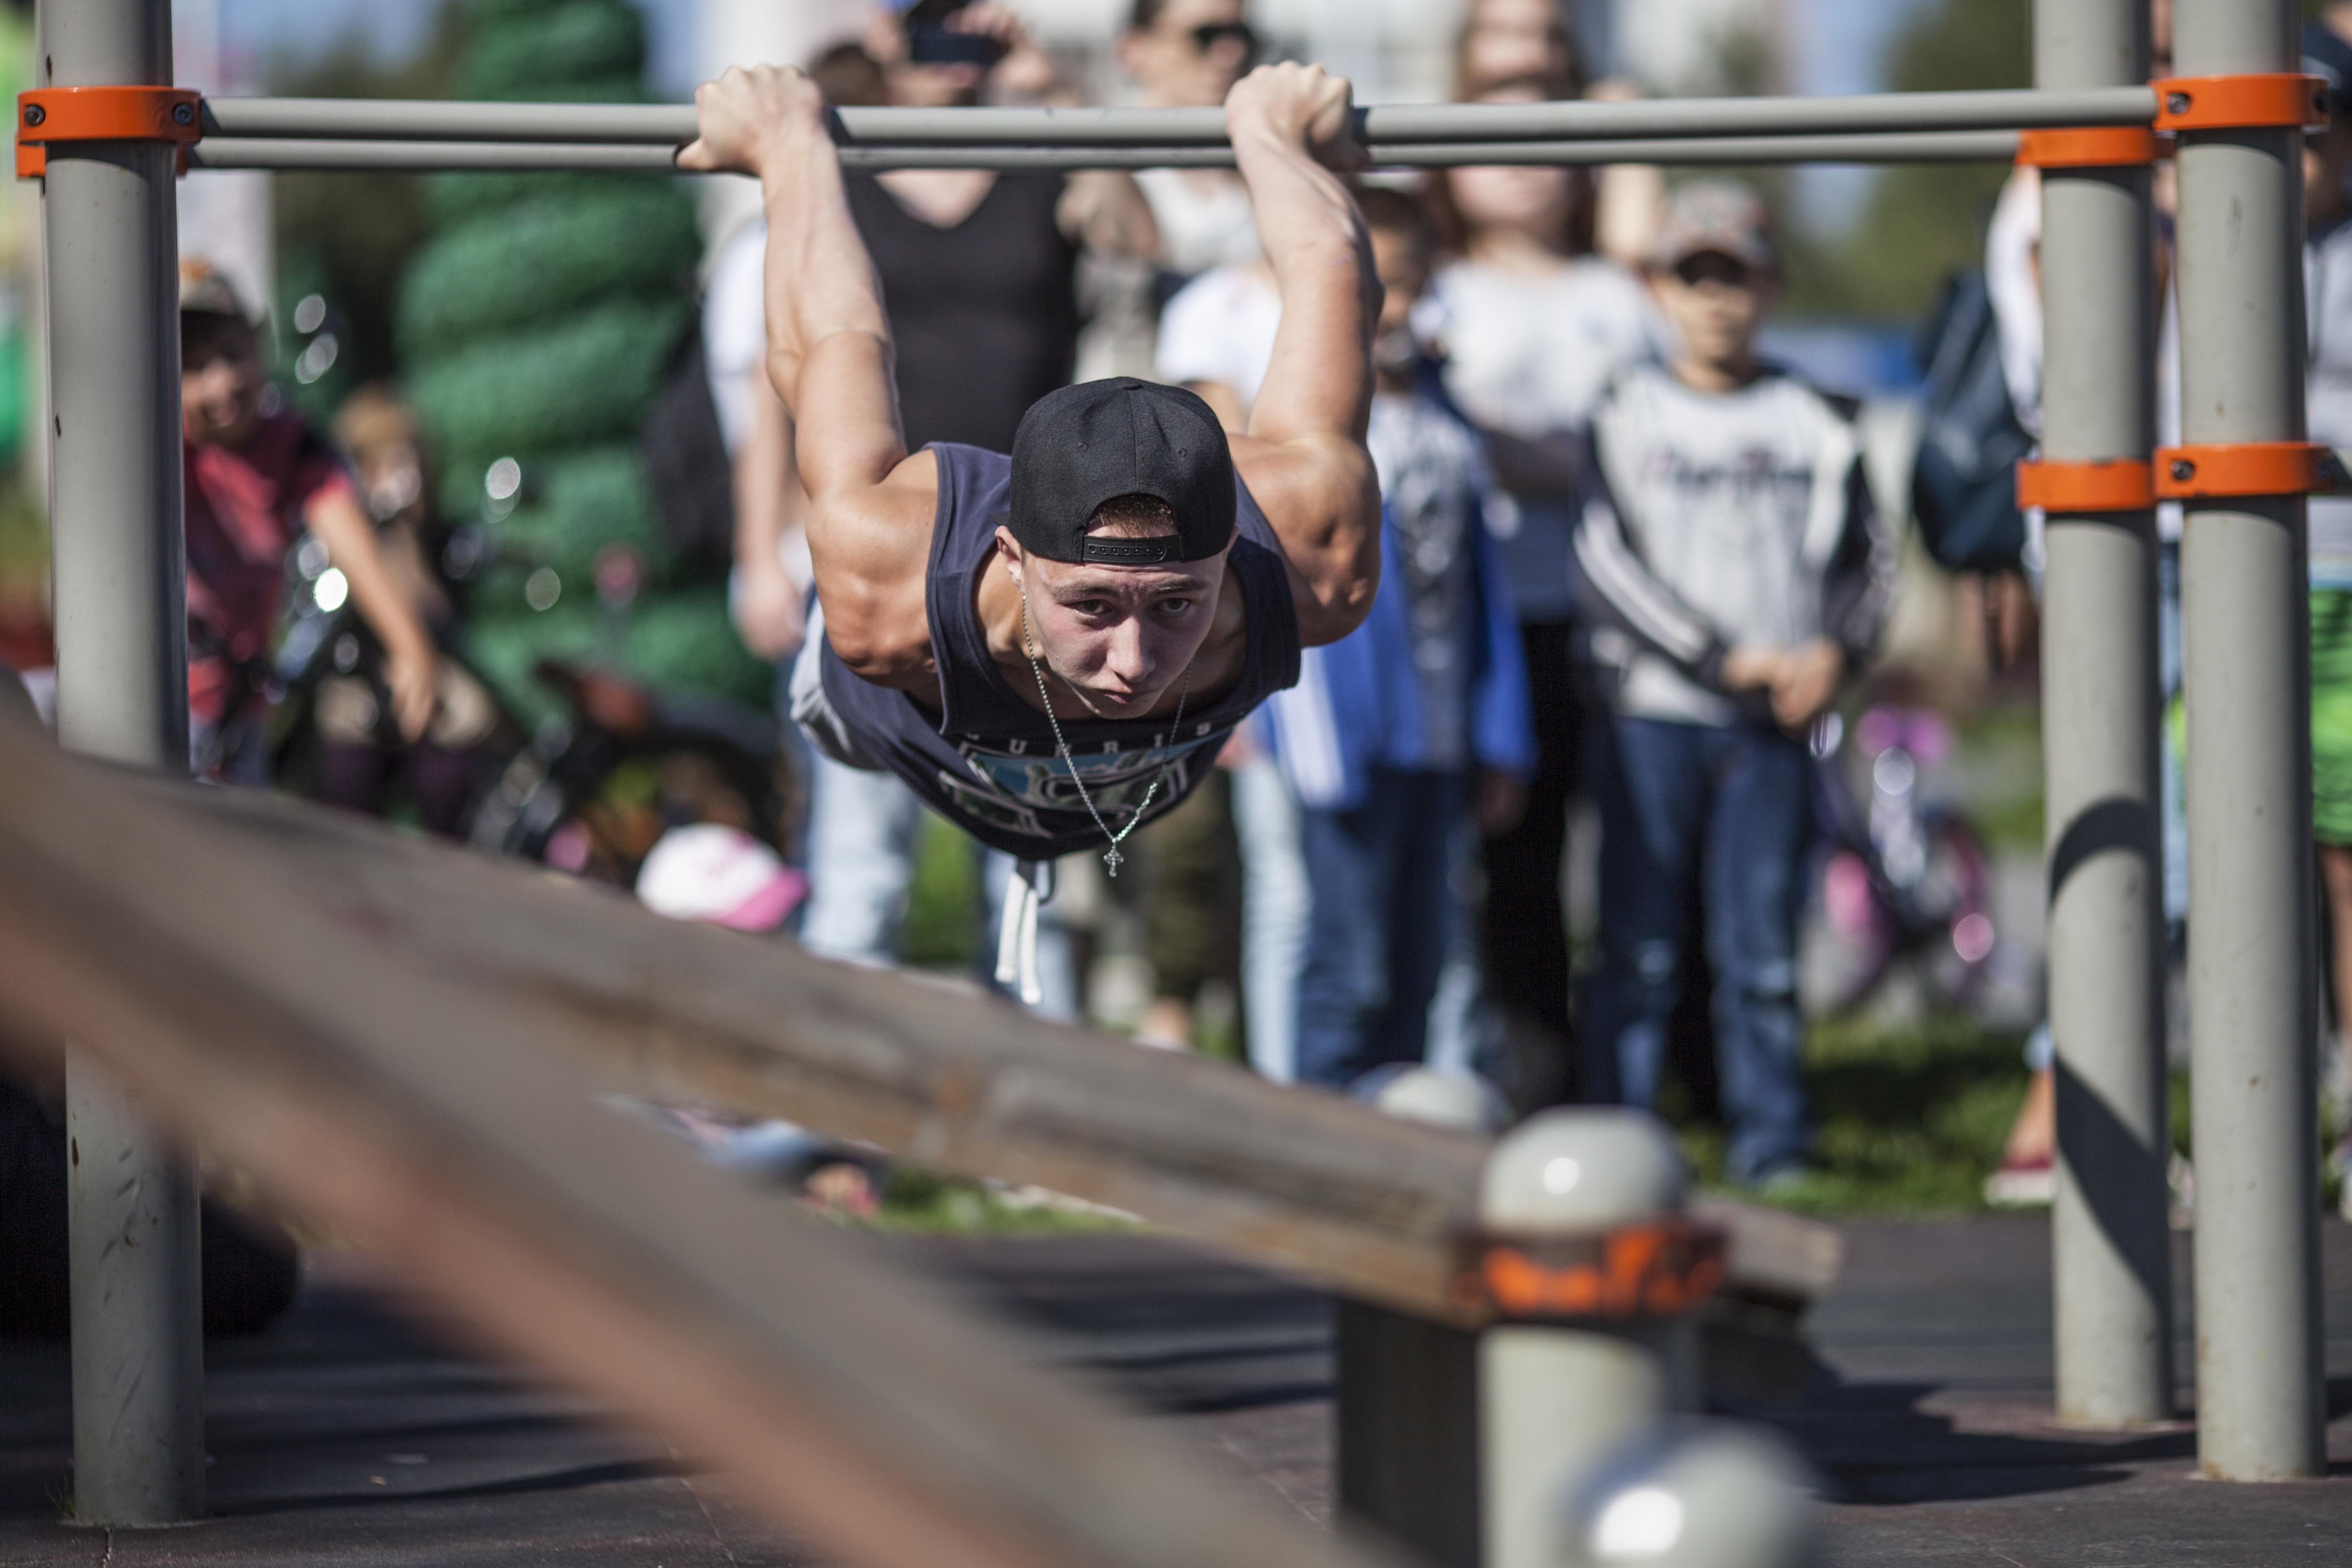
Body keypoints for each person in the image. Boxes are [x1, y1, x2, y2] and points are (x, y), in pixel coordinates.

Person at [681, 59, 1383, 1010]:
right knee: (857, 891)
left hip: (1098, 800)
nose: (1135, 660)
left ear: (1227, 557)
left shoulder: (1310, 562)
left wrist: (1270, 136)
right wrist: (789, 151)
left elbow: (1332, 277)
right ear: (1012, 559)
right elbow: (829, 342)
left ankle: (1040, 1154)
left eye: (1178, 603)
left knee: (1050, 957)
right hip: (896, 720)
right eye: (1092, 605)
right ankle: (834, 1152)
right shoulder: (886, 582)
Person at [719, 13, 1159, 1015]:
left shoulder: (1038, 158)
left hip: (1029, 564)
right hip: (881, 550)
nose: (949, 42)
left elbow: (1136, 237)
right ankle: (842, 1130)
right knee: (862, 858)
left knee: (1024, 861)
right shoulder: (844, 170)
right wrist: (759, 551)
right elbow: (770, 381)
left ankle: (1029, 1127)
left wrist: (1056, 89)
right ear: (882, 29)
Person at [1571, 184, 1893, 1188]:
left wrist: (1833, 655)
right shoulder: (1624, 409)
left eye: (1736, 277)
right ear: (1656, 288)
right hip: (1651, 720)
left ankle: (1774, 1142)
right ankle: (1619, 1141)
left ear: (1773, 286)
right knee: (1639, 947)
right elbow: (1602, 559)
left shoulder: (1821, 417)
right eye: (1692, 276)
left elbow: (1871, 564)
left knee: (1760, 951)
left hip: (1774, 726)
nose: (1715, 300)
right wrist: (1715, 656)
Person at [1428, 75, 1667, 1105]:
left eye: (1543, 132)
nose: (1519, 157)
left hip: (1624, 622)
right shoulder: (1434, 286)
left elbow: (1653, 442)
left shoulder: (1618, 299)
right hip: (1488, 623)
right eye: (1492, 133)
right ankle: (1535, 1080)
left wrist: (1513, 446)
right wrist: (1549, 455)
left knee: (1640, 857)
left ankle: (1650, 1079)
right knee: (1512, 863)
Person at [1279, 188, 1535, 1089]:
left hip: (1438, 733)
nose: (1388, 309)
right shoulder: (1307, 425)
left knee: (1423, 956)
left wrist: (1501, 733)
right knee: (1348, 956)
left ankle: (1393, 1131)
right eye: (1367, 288)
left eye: (1407, 284)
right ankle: (1320, 1132)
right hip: (1346, 736)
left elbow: (1482, 586)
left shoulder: (1447, 419)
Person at [178, 262, 441, 785]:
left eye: (233, 355)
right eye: (196, 366)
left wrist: (409, 643)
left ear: (259, 348)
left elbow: (343, 527)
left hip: (239, 708)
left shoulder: (290, 445)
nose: (222, 383)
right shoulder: (167, 447)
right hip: (161, 701)